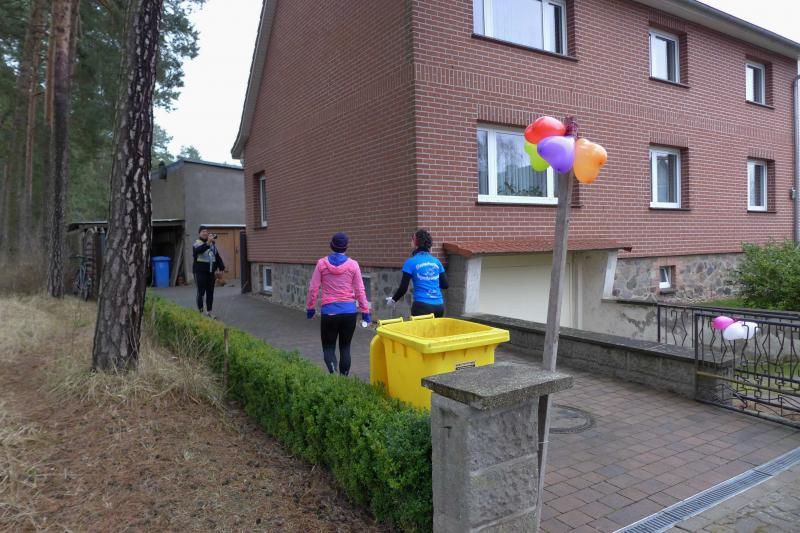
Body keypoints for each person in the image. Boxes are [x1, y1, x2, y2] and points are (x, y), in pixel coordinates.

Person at [306, 232, 371, 376]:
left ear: (331, 246)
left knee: (328, 347)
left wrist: (310, 308)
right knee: (345, 348)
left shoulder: (321, 264)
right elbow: (360, 290)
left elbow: (313, 288)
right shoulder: (353, 265)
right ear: (346, 247)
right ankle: (343, 380)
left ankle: (333, 375)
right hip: (349, 312)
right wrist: (365, 312)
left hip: (329, 312)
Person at [386, 229, 448, 317]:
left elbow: (403, 288)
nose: (410, 242)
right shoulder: (437, 262)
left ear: (416, 243)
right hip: (439, 307)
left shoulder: (411, 262)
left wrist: (393, 300)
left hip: (421, 307)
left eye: (412, 240)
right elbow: (445, 285)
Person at [193, 226, 225, 318]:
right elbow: (199, 251)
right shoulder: (197, 243)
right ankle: (200, 312)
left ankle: (209, 312)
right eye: (203, 231)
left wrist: (221, 267)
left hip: (211, 272)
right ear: (199, 233)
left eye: (206, 231)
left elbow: (217, 257)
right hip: (200, 272)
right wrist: (208, 242)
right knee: (201, 293)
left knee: (210, 292)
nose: (205, 233)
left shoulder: (212, 244)